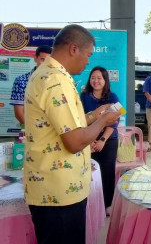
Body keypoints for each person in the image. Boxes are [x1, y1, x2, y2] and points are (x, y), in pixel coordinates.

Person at [24, 24, 120, 244]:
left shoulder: (51, 75)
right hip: (59, 194)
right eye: (88, 55)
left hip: (59, 189)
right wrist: (104, 121)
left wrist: (93, 116)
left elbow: (66, 126)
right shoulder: (55, 80)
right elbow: (75, 141)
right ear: (74, 49)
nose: (88, 61)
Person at [80, 66, 120, 214]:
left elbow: (115, 122)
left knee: (107, 172)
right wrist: (89, 141)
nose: (96, 81)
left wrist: (102, 139)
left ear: (105, 80)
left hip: (108, 140)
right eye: (93, 78)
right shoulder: (83, 97)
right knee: (89, 172)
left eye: (99, 78)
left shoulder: (113, 97)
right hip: (88, 139)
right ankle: (91, 204)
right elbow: (80, 121)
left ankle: (107, 204)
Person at [10, 45, 52, 124]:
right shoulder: (21, 81)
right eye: (42, 59)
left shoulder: (55, 81)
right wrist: (34, 130)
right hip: (30, 130)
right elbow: (19, 113)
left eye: (48, 61)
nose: (45, 64)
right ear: (35, 58)